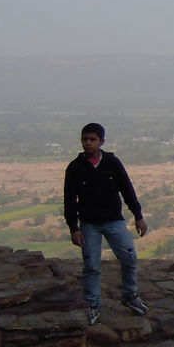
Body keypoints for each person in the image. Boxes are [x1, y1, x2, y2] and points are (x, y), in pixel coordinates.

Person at [63, 123, 149, 325]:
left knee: (129, 258)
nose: (88, 143)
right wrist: (73, 228)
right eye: (85, 139)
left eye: (92, 139)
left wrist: (138, 215)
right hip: (89, 223)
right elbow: (69, 200)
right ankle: (93, 304)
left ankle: (130, 296)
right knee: (92, 265)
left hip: (114, 220)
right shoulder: (75, 168)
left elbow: (127, 190)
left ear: (101, 141)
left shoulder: (112, 163)